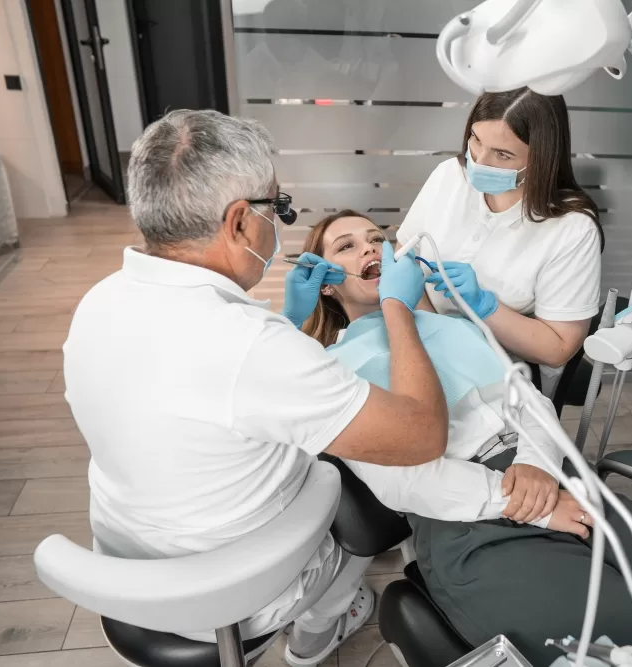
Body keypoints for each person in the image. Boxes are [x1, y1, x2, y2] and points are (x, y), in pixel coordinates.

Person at [304, 211, 632, 667]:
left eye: (378, 237)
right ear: (326, 282)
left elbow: (527, 400)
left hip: (563, 481)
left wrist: (538, 465)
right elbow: (404, 484)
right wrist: (528, 506)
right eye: (347, 247)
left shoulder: (455, 328)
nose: (371, 247)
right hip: (470, 523)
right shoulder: (332, 371)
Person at [62, 110, 449, 667]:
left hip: (127, 568)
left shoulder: (99, 302)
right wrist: (399, 307)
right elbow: (424, 435)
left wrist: (288, 325)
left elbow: (220, 385)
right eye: (278, 207)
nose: (280, 223)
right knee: (367, 499)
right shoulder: (256, 349)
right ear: (241, 221)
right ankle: (318, 630)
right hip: (228, 593)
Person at [397, 88, 604, 400]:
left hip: (500, 372)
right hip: (423, 337)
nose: (479, 161)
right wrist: (436, 330)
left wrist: (486, 305)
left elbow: (558, 347)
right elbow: (405, 257)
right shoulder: (450, 176)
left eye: (502, 154)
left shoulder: (572, 229)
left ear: (542, 158)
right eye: (476, 139)